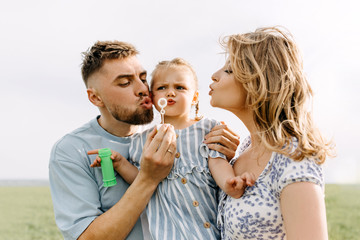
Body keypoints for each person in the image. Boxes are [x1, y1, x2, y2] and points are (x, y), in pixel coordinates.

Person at [49, 41, 239, 240]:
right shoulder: (72, 150)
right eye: (125, 83)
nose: (142, 89)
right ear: (95, 98)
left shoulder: (174, 134)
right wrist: (148, 177)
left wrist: (225, 156)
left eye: (143, 78)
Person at [90, 58, 252, 239]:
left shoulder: (208, 129)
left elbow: (217, 162)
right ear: (152, 97)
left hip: (208, 230)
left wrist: (230, 182)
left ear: (195, 97)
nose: (170, 93)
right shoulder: (142, 140)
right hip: (170, 232)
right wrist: (120, 163)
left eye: (180, 88)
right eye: (162, 88)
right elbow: (141, 179)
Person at [210, 27, 334, 239]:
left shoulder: (293, 157)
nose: (214, 76)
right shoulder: (243, 149)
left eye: (229, 70)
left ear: (258, 82)